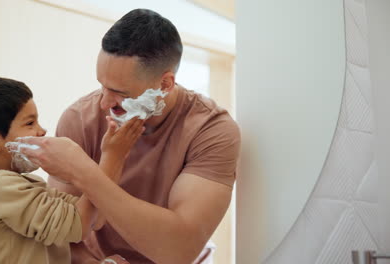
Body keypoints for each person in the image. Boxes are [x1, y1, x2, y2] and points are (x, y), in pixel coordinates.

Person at [19, 8, 241, 264]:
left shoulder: (213, 131)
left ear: (165, 84)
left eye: (119, 92)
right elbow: (58, 236)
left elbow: (178, 250)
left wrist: (84, 171)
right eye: (101, 86)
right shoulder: (79, 119)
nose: (103, 103)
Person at [0, 75, 143, 264]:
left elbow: (96, 218)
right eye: (30, 123)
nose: (42, 131)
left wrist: (117, 157)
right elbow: (82, 224)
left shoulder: (27, 185)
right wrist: (112, 156)